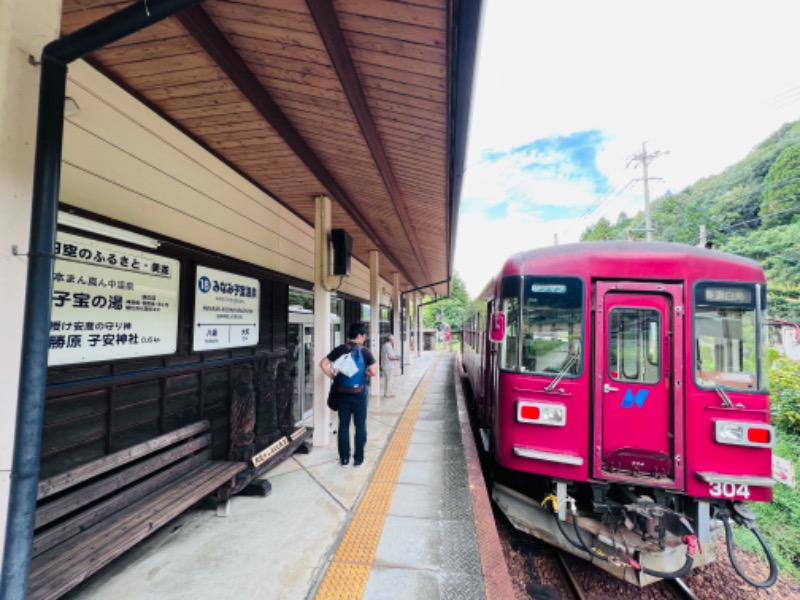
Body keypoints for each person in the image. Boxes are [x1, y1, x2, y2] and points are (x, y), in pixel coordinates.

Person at [319, 323, 377, 467]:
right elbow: (374, 372)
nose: (364, 338)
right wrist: (363, 372)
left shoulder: (340, 349)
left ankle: (344, 459)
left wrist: (333, 376)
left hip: (342, 394)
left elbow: (323, 364)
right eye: (364, 336)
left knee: (343, 425)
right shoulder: (365, 352)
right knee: (360, 426)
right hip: (359, 395)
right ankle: (358, 459)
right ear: (359, 336)